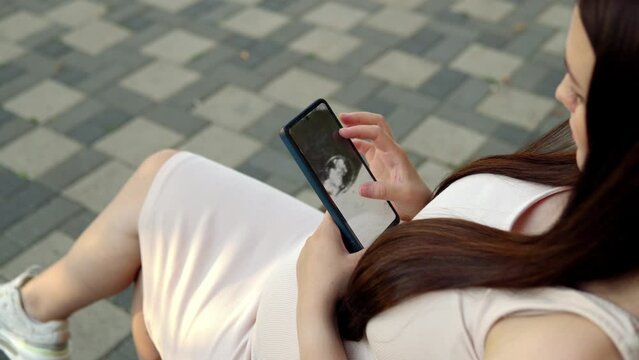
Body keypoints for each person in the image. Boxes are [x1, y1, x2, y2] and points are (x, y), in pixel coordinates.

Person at [1, 0, 638, 359]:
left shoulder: (568, 345)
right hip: (359, 281)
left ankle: (27, 317)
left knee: (154, 283)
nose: (557, 94)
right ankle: (31, 314)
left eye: (581, 94)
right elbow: (493, 279)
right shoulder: (607, 194)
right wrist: (421, 210)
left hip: (306, 328)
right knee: (166, 180)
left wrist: (310, 301)